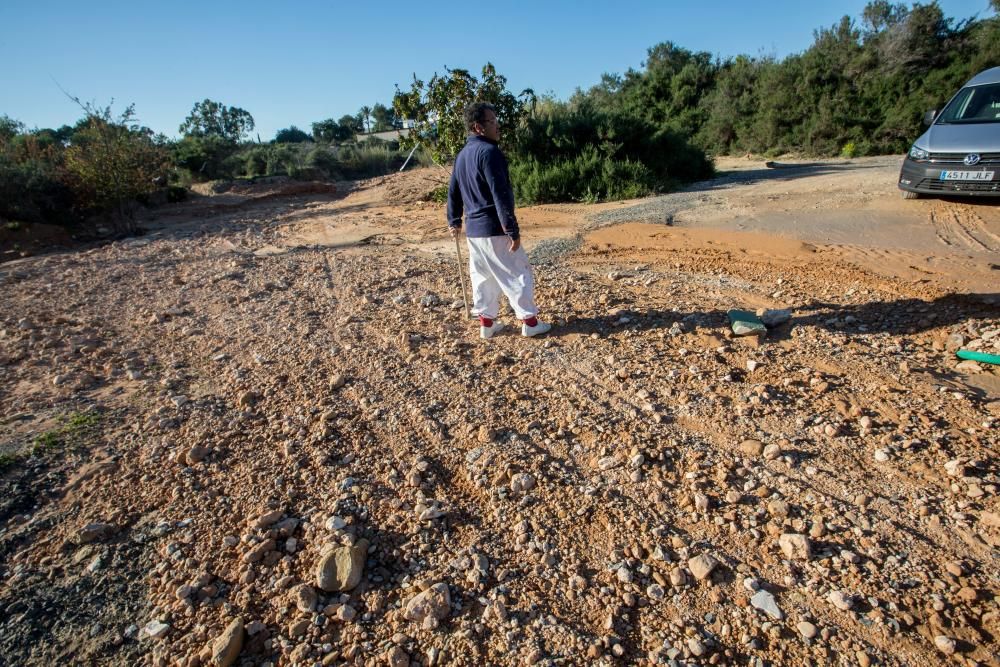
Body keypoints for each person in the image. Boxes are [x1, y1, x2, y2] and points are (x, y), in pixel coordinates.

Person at [447, 102, 551, 339]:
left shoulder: (462, 156)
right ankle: (530, 323)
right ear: (478, 127)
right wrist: (511, 229)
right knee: (517, 272)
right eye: (492, 121)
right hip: (495, 229)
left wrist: (454, 220)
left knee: (483, 277)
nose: (497, 125)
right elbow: (500, 194)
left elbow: (453, 191)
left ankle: (487, 324)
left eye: (496, 120)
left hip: (475, 233)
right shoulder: (490, 153)